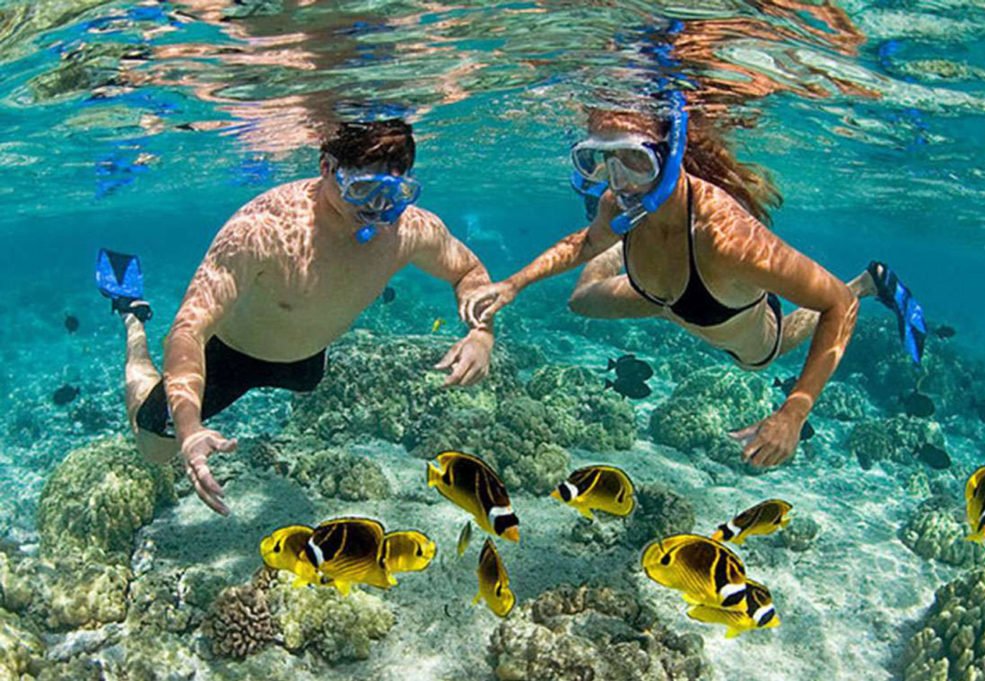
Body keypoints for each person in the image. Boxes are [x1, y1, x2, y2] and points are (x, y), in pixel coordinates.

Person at [464, 93, 925, 468]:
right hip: (663, 295)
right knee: (581, 299)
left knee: (763, 357)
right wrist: (515, 283)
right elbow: (584, 244)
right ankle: (635, 256)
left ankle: (869, 281)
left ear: (670, 154)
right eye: (601, 160)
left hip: (721, 307)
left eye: (635, 160)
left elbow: (837, 305)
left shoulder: (728, 240)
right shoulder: (616, 204)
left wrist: (794, 410)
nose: (620, 181)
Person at [98, 119, 495, 515]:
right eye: (362, 189)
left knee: (306, 378)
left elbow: (468, 271)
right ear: (326, 167)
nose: (377, 208)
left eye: (394, 193)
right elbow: (189, 330)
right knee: (155, 450)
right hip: (230, 355)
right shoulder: (261, 229)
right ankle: (132, 317)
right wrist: (188, 432)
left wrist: (481, 333)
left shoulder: (410, 229)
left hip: (306, 359)